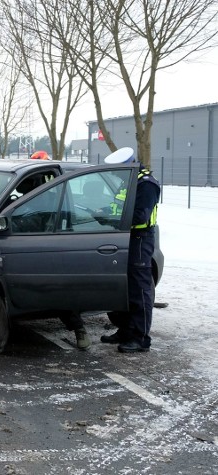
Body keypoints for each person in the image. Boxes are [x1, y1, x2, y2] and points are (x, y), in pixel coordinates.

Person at [99, 147, 161, 353]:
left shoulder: (146, 184)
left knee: (139, 290)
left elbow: (139, 216)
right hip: (124, 238)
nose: (116, 176)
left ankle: (141, 337)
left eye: (117, 171)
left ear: (128, 166)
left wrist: (110, 219)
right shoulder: (128, 182)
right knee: (123, 287)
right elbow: (119, 208)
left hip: (140, 240)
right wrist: (104, 212)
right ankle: (126, 330)